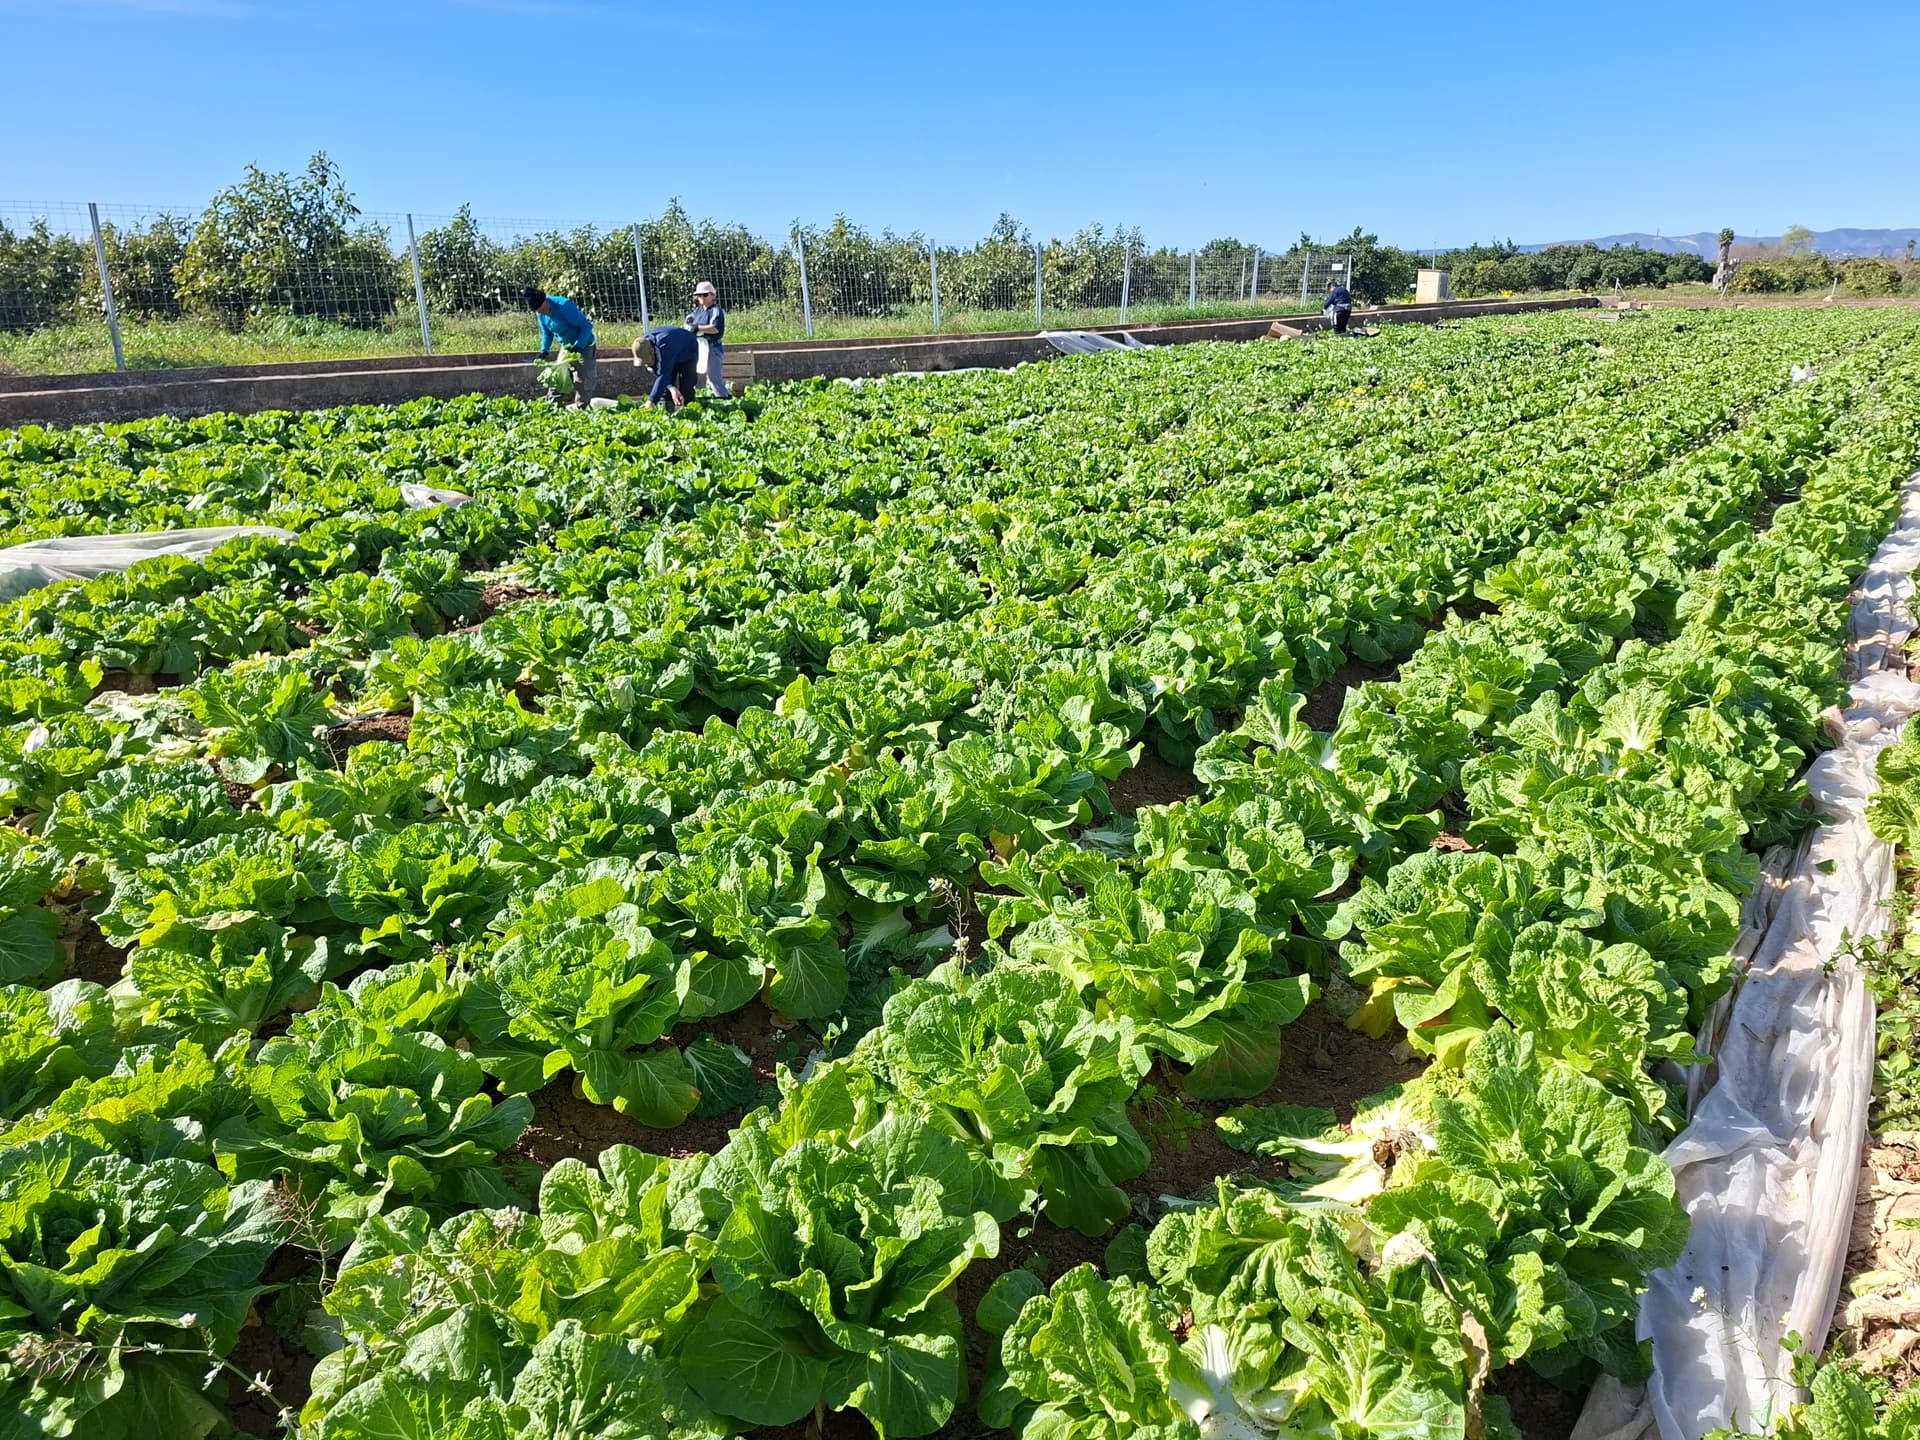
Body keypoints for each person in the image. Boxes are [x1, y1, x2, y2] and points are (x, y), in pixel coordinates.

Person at [524, 287, 598, 406]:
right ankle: (552, 407)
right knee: (556, 377)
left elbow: (587, 326)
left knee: (583, 380)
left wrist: (579, 345)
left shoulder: (564, 306)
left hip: (584, 345)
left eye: (543, 309)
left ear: (546, 300)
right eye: (539, 311)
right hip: (567, 347)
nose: (543, 312)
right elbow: (547, 333)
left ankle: (582, 409)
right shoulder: (541, 314)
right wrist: (544, 350)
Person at [685, 280, 731, 398]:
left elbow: (715, 328)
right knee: (698, 377)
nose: (702, 297)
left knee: (713, 377)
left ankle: (724, 399)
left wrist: (697, 328)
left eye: (705, 294)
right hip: (698, 347)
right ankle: (699, 400)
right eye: (699, 295)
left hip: (712, 347)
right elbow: (688, 323)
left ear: (713, 295)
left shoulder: (715, 310)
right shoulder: (697, 311)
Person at [637, 324, 700, 408]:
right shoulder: (642, 344)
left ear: (652, 352)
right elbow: (657, 371)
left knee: (687, 388)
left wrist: (651, 401)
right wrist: (671, 387)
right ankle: (668, 409)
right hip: (672, 350)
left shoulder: (664, 346)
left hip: (688, 350)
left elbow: (663, 376)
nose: (646, 364)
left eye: (647, 361)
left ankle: (689, 409)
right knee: (666, 390)